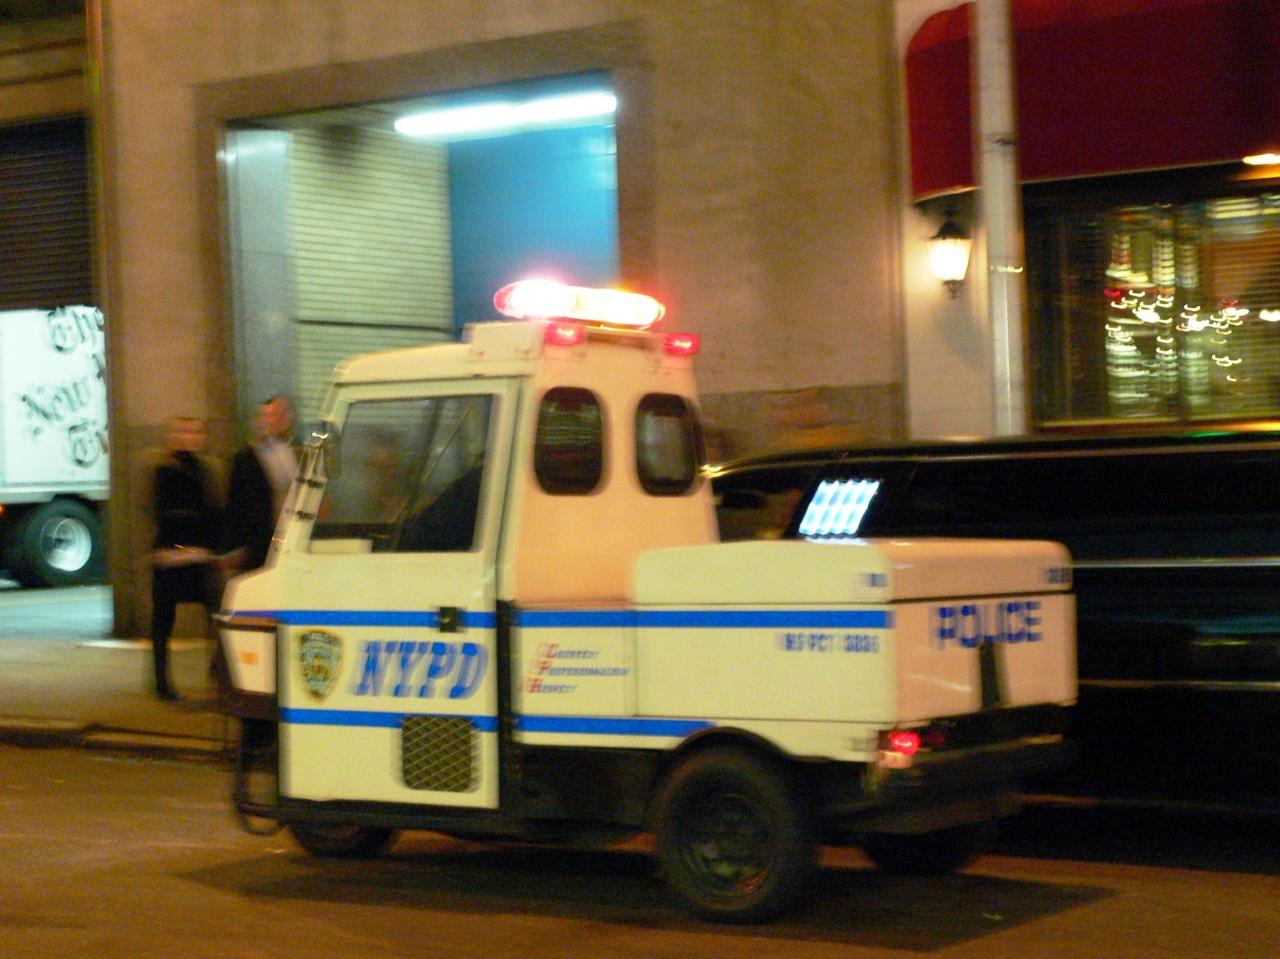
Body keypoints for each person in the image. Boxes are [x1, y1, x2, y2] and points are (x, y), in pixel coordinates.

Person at [149, 416, 222, 701]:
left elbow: (210, 510)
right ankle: (161, 681)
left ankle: (217, 673)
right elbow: (165, 511)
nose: (191, 437)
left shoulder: (203, 468)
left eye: (196, 432)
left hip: (197, 553)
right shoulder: (165, 469)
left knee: (215, 614)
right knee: (164, 619)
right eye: (184, 431)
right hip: (172, 553)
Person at [224, 395, 298, 572]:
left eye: (284, 414)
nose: (279, 419)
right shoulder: (245, 458)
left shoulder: (297, 451)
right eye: (273, 414)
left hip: (292, 535)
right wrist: (236, 546)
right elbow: (236, 503)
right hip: (260, 539)